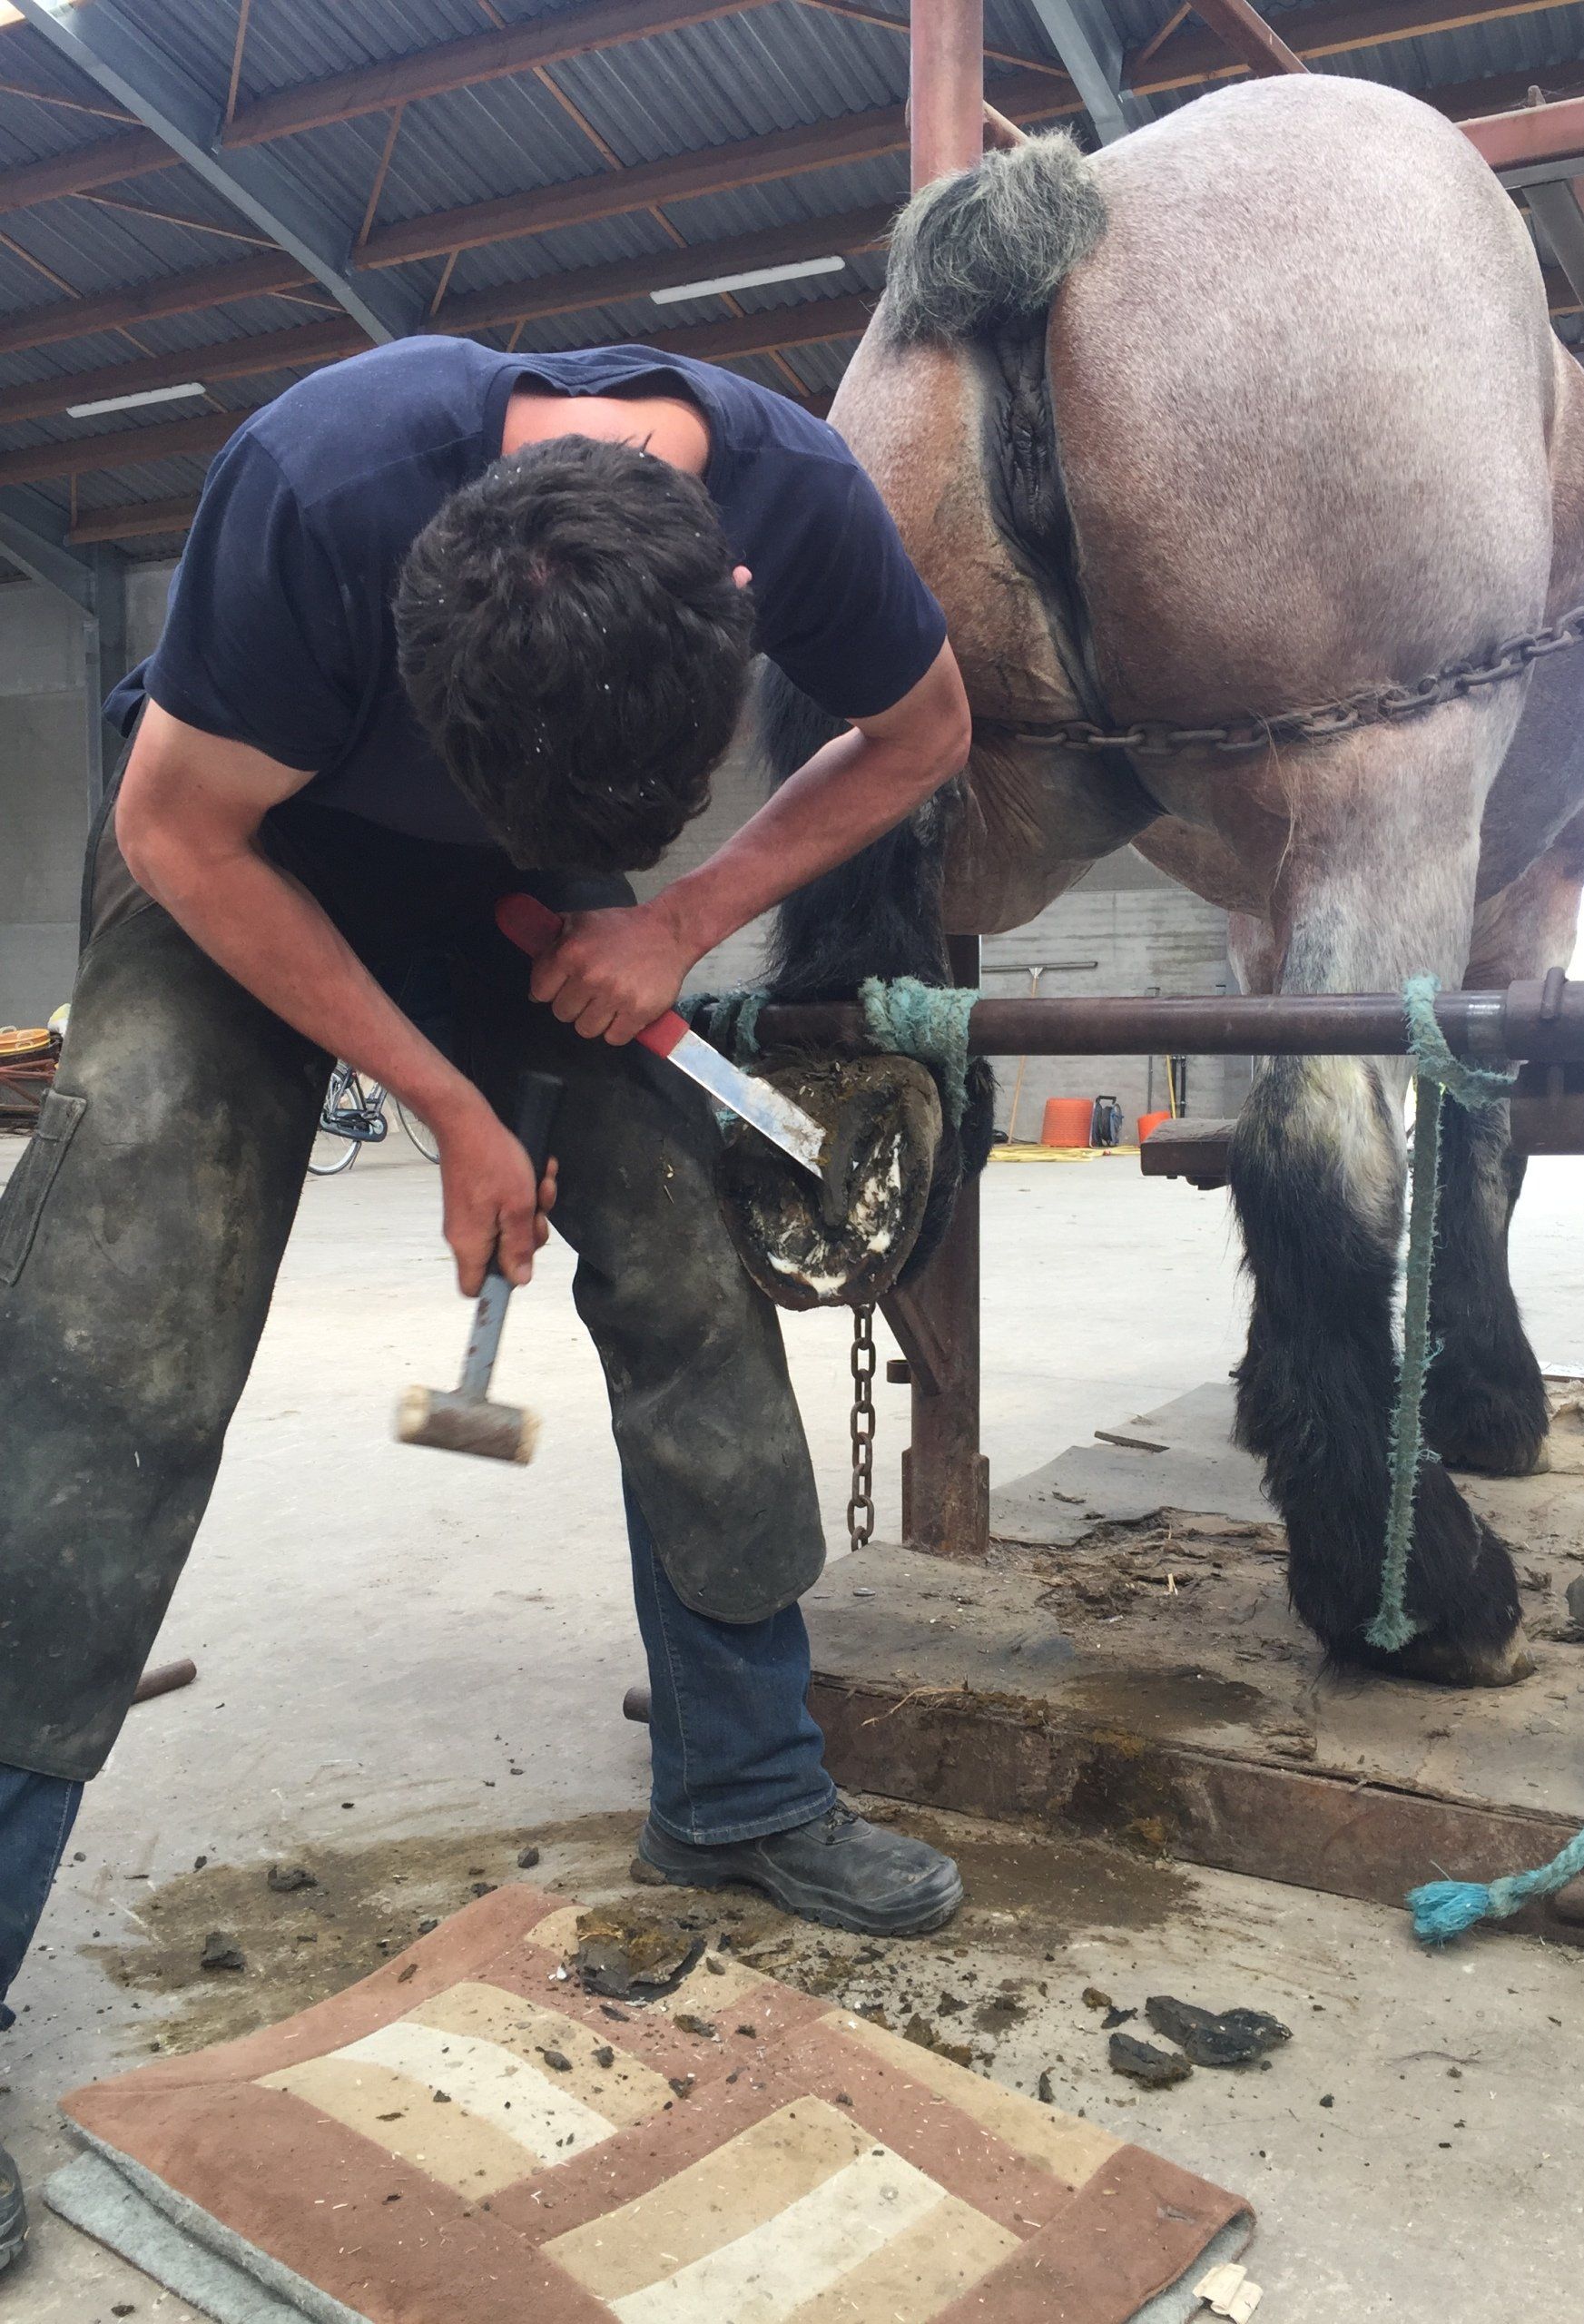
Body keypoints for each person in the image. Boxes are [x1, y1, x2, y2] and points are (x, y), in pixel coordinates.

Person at [0, 335, 973, 2270]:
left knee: (687, 1254)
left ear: (733, 604)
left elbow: (927, 728)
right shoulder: (317, 485)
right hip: (243, 848)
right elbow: (177, 829)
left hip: (542, 867)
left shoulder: (797, 503)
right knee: (111, 1345)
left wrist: (677, 915)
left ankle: (745, 1783)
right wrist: (449, 1105)